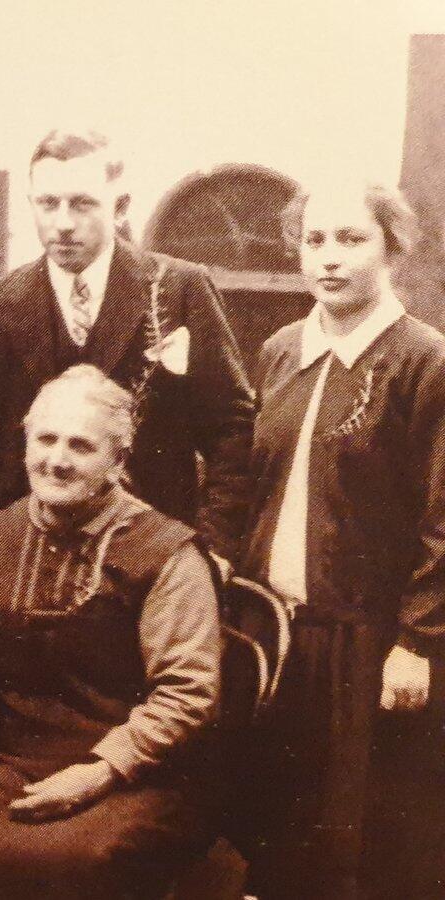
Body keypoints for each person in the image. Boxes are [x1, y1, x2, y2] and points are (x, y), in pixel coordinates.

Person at [0, 364, 223, 899]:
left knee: (78, 864)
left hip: (137, 776)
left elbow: (187, 693)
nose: (56, 460)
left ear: (118, 460)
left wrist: (99, 771)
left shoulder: (166, 553)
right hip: (15, 767)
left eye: (80, 445)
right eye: (45, 439)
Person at [237, 180, 445, 899]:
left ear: (393, 247)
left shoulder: (425, 362)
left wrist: (416, 641)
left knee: (361, 843)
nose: (329, 257)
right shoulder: (279, 352)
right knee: (273, 832)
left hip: (371, 643)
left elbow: (443, 519)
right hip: (274, 634)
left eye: (351, 239)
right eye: (314, 240)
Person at [0, 128, 254, 576]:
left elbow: (232, 432)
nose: (63, 223)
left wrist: (212, 550)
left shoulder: (180, 290)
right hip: (25, 564)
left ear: (119, 207)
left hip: (150, 562)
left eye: (82, 203)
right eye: (48, 203)